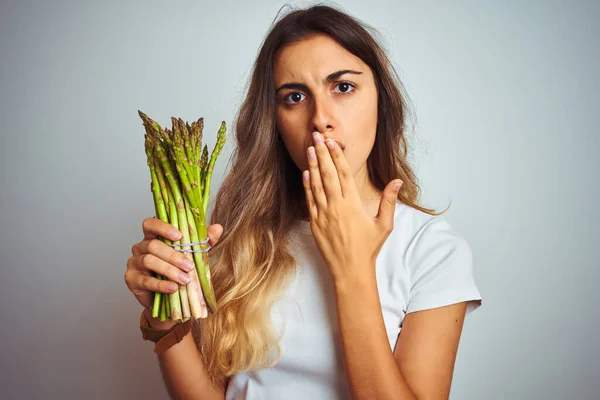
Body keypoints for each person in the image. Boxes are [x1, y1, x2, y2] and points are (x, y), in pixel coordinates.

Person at [125, 4, 482, 399]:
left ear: (381, 100)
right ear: (274, 120)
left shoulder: (431, 249)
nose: (320, 119)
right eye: (294, 97)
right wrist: (164, 322)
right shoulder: (242, 237)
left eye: (343, 87)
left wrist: (352, 269)